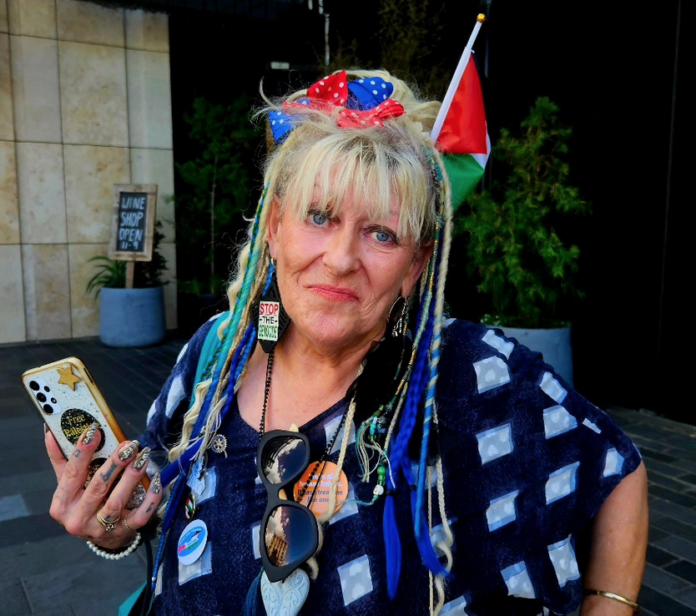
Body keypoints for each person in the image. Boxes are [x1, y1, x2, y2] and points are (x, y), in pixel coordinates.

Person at [45, 67, 648, 616]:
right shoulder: (216, 355)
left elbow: (617, 467)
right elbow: (156, 500)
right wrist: (113, 528)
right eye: (320, 217)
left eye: (381, 233)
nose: (340, 259)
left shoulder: (474, 375)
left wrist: (609, 602)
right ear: (275, 229)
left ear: (416, 265)